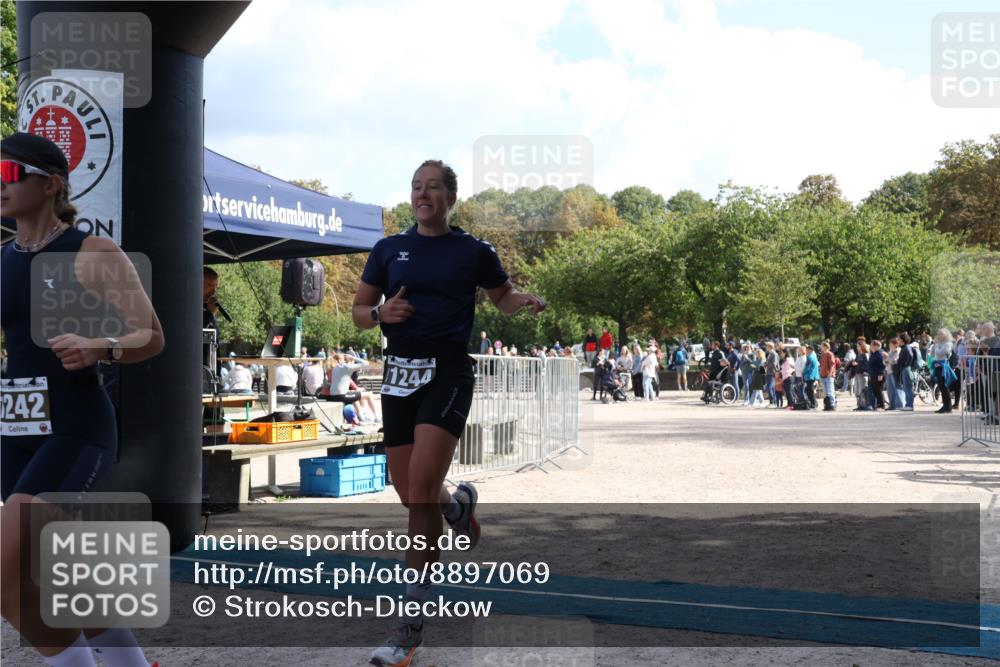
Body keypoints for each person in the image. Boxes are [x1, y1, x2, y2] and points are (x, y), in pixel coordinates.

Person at [352, 159, 545, 666]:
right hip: (398, 375)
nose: (422, 194)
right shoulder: (388, 249)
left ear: (450, 198)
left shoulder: (473, 251)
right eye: (416, 186)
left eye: (432, 187)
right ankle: (457, 506)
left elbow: (500, 297)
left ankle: (408, 629)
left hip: (447, 373)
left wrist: (519, 300)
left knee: (419, 495)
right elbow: (358, 312)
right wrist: (379, 315)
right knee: (409, 492)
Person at [1, 132, 165, 667]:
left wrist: (103, 347)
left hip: (75, 426)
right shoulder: (2, 259)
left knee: (6, 569)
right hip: (15, 432)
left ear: (49, 185)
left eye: (9, 173)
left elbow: (151, 334)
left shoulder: (91, 253)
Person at [322, 353, 381, 421]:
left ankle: (361, 416)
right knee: (369, 395)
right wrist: (353, 357)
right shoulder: (346, 367)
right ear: (340, 360)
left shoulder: (334, 368)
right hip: (341, 395)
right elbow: (366, 363)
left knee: (354, 394)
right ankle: (377, 417)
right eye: (343, 359)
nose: (344, 360)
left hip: (333, 395)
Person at [819, 341, 837, 411]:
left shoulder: (830, 354)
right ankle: (827, 405)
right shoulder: (822, 355)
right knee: (825, 392)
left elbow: (832, 364)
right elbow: (821, 365)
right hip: (823, 375)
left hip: (829, 375)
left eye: (822, 346)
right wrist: (820, 373)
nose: (821, 347)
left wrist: (830, 372)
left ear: (826, 346)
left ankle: (832, 404)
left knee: (830, 390)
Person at [802, 344, 820, 409]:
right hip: (813, 376)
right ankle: (814, 403)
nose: (806, 351)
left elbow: (807, 367)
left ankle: (813, 404)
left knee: (810, 390)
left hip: (810, 376)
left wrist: (803, 372)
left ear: (810, 350)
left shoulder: (810, 357)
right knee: (810, 390)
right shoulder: (814, 356)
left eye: (807, 350)